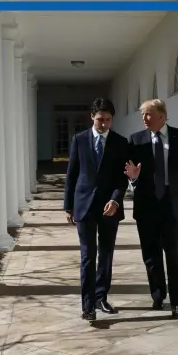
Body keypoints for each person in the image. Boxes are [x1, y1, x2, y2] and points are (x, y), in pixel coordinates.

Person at [124, 99, 178, 318]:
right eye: (143, 115)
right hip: (147, 205)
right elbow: (132, 172)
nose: (144, 118)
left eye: (148, 114)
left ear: (162, 116)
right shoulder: (136, 140)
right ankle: (158, 295)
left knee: (173, 253)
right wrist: (133, 179)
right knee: (151, 255)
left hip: (173, 205)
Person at [63, 98, 128, 321]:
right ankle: (88, 305)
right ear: (92, 117)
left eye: (108, 120)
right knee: (88, 255)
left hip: (110, 207)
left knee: (106, 255)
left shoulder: (120, 142)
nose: (104, 124)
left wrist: (116, 200)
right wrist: (68, 206)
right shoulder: (79, 140)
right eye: (100, 119)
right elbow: (72, 174)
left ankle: (101, 297)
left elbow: (123, 178)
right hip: (84, 206)